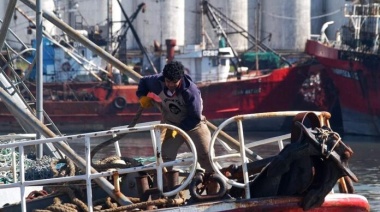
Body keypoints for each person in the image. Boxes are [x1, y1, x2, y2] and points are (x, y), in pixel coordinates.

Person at [136, 60, 214, 175]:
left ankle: (215, 187)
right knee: (165, 161)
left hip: (194, 126)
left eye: (174, 82)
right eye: (168, 81)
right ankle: (167, 190)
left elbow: (195, 117)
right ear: (164, 78)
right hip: (171, 124)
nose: (170, 85)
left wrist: (179, 130)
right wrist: (142, 96)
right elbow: (143, 82)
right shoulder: (157, 82)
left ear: (180, 79)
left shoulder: (190, 92)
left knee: (206, 157)